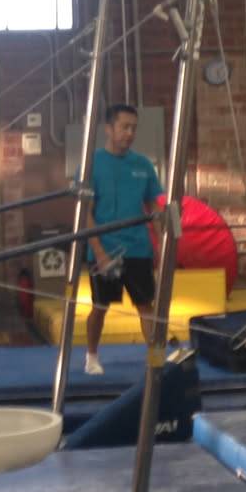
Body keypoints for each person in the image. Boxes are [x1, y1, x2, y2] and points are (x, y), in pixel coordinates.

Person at [84, 103, 165, 375]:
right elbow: (85, 213)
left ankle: (156, 360)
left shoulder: (143, 164)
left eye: (133, 128)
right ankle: (91, 356)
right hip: (105, 247)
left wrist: (161, 238)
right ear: (109, 128)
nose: (129, 133)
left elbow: (153, 205)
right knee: (100, 306)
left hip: (138, 247)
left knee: (146, 306)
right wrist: (99, 253)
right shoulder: (92, 164)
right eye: (124, 127)